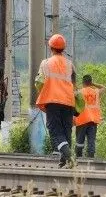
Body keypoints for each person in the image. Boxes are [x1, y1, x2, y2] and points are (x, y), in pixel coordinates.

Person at [35, 34, 77, 168]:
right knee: (66, 131)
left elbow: (39, 82)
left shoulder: (45, 63)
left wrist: (41, 95)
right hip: (68, 101)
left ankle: (69, 156)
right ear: (64, 48)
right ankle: (64, 159)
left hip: (53, 101)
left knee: (55, 131)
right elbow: (74, 85)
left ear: (50, 48)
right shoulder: (70, 64)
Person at [74, 74, 106, 159]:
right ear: (91, 82)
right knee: (91, 141)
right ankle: (90, 159)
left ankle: (78, 158)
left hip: (82, 120)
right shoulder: (96, 92)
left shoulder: (79, 92)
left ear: (83, 82)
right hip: (93, 121)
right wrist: (94, 84)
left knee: (79, 142)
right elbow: (104, 88)